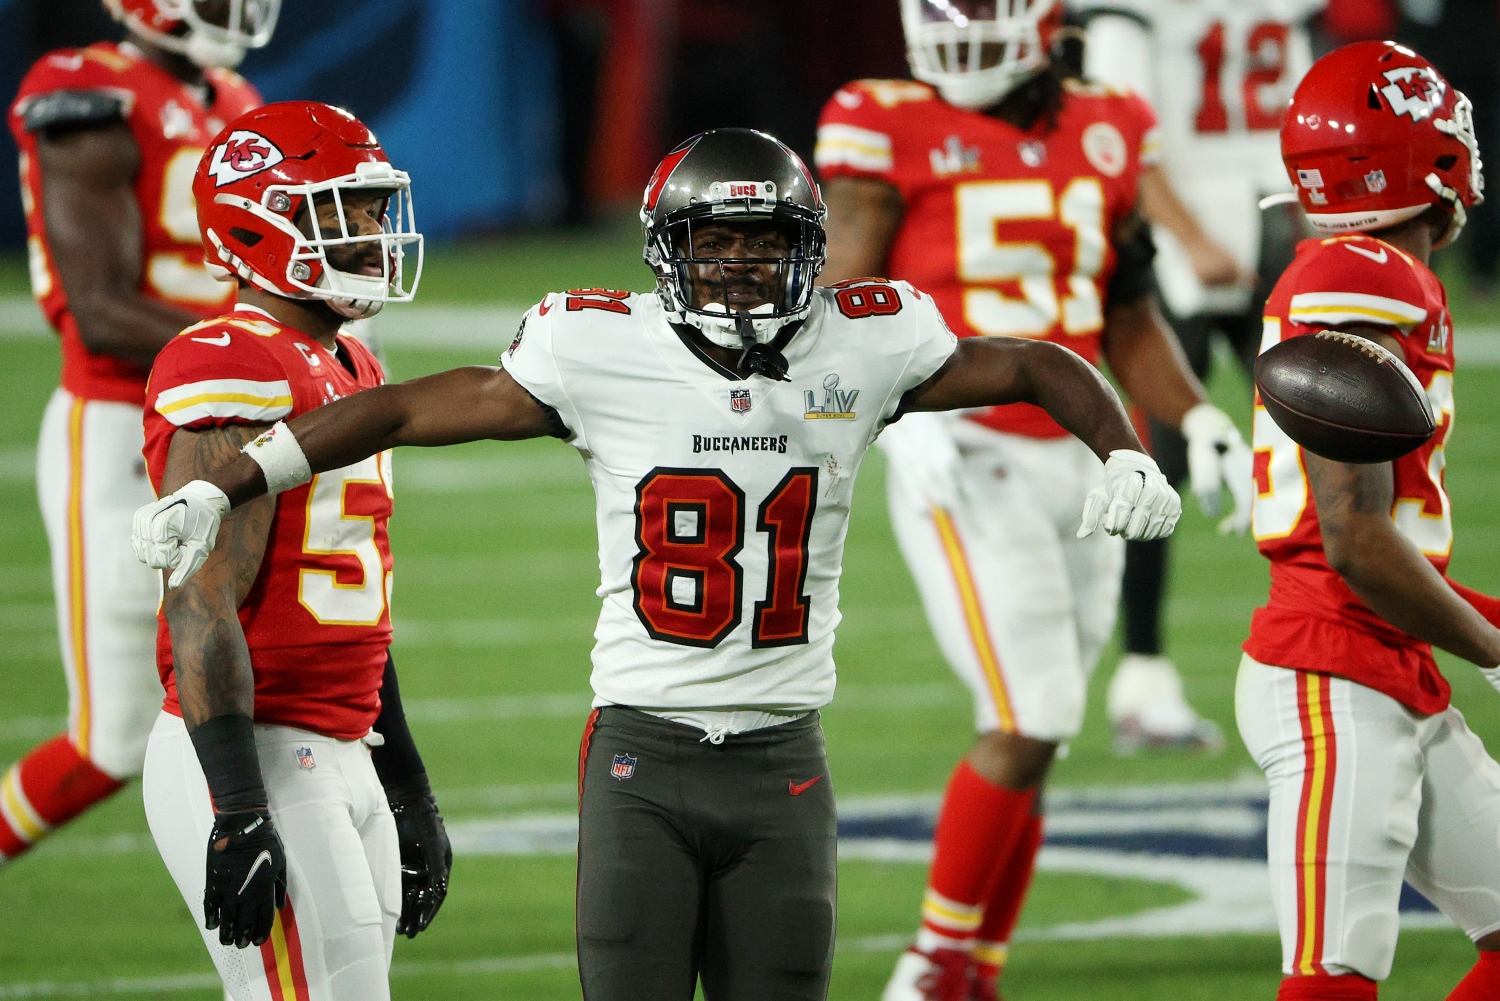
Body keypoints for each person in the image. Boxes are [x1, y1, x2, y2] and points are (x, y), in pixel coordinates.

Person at [130, 127, 1182, 1001]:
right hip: (641, 746)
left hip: (786, 755)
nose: (738, 265)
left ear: (807, 249)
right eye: (714, 242)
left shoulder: (864, 343)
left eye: (763, 243)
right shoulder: (597, 347)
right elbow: (404, 409)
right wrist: (228, 481)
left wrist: (1124, 443)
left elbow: (1040, 361)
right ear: (668, 249)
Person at [812, 2, 1250, 995]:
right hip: (964, 448)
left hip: (1086, 452)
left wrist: (1195, 414)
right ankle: (930, 965)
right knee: (1031, 709)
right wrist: (891, 414)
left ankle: (977, 967)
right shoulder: (884, 121)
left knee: (1039, 726)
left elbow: (1126, 308)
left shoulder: (1108, 121)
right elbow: (839, 300)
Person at [138, 100, 448, 1000]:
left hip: (344, 738)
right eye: (337, 211)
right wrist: (236, 807)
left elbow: (359, 603)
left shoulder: (353, 361)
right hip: (258, 747)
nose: (368, 234)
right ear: (256, 220)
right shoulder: (225, 360)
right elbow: (200, 599)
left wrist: (407, 780)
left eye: (369, 209)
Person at [1238, 40, 1500, 1001]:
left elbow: (1390, 538)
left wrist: (1487, 624)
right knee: (1333, 977)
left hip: (1384, 658)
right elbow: (1352, 536)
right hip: (1331, 670)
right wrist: (1491, 647)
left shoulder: (1365, 268)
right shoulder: (1366, 275)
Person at [0, 0, 269, 867]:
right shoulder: (90, 94)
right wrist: (260, 351)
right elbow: (98, 311)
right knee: (112, 736)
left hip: (235, 414)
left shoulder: (236, 99)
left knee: (275, 684)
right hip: (122, 422)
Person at [1075, 0, 1323, 752]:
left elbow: (1309, 114)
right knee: (1156, 468)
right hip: (1180, 238)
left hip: (1273, 221)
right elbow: (1123, 139)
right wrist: (1189, 235)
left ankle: (1335, 649)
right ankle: (1143, 678)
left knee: (1328, 440)